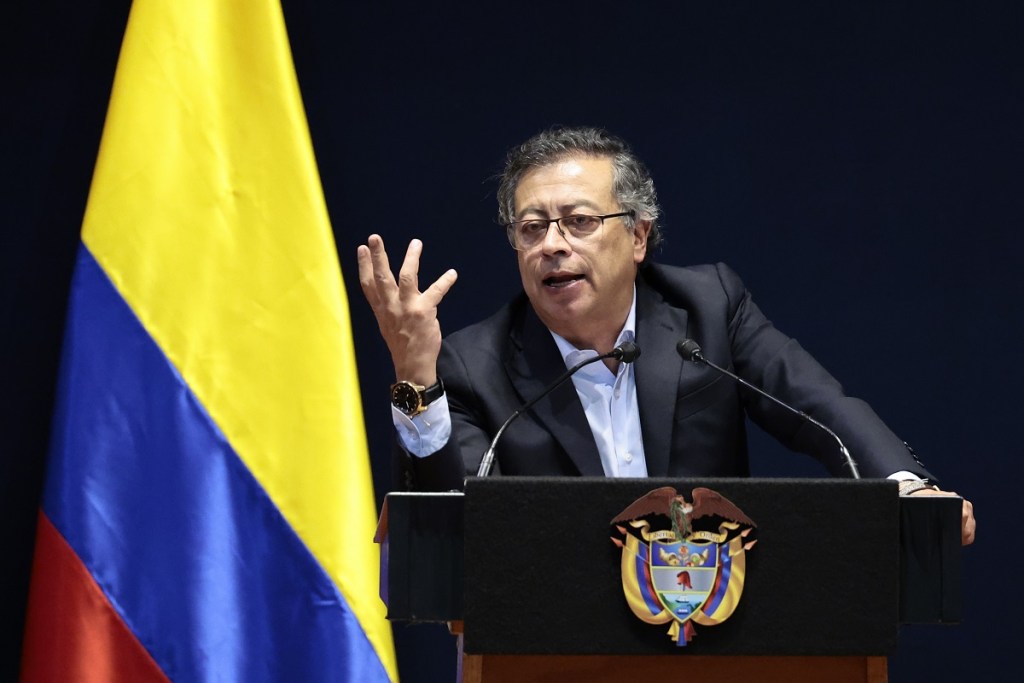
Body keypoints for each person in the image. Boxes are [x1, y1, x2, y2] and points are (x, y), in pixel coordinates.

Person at [357, 126, 976, 545]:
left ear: (638, 236)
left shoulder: (707, 309)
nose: (552, 245)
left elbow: (820, 408)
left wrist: (908, 488)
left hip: (714, 624)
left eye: (578, 221)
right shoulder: (472, 365)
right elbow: (444, 530)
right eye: (531, 228)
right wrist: (416, 379)